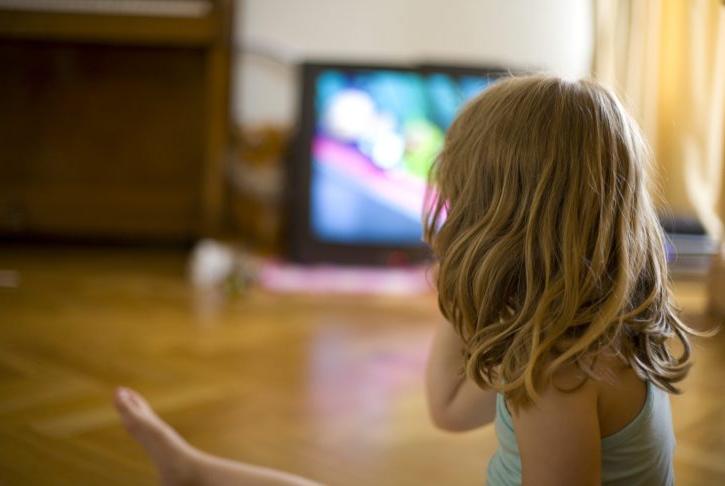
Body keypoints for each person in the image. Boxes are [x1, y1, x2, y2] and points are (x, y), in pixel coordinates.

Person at [114, 75, 698, 485]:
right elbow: (448, 409)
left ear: (500, 220)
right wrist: (458, 303)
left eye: (463, 197)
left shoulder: (560, 373)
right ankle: (192, 471)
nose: (450, 211)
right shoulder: (573, 332)